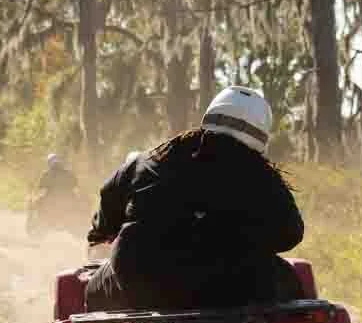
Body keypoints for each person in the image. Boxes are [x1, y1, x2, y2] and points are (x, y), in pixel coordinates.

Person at [83, 87, 304, 311]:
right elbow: (290, 234)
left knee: (92, 288)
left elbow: (108, 205)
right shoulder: (263, 177)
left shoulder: (151, 158)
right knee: (292, 283)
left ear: (209, 117)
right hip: (233, 292)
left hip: (142, 287)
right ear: (261, 136)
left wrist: (101, 235)